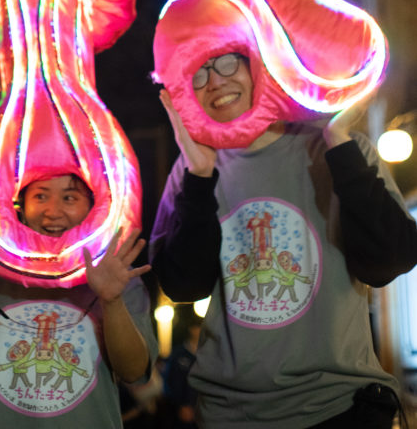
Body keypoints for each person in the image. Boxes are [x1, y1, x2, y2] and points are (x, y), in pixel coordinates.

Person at [151, 44, 417, 429]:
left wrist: (338, 141)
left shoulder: (339, 147)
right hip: (230, 415)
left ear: (259, 63)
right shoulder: (192, 168)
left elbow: (389, 262)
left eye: (227, 62)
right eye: (199, 73)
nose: (215, 82)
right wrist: (200, 177)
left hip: (340, 407)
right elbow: (183, 286)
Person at [0, 171, 158, 428]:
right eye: (40, 196)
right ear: (20, 206)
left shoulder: (115, 274)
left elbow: (134, 372)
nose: (53, 212)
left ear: (93, 208)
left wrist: (112, 300)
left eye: (69, 198)